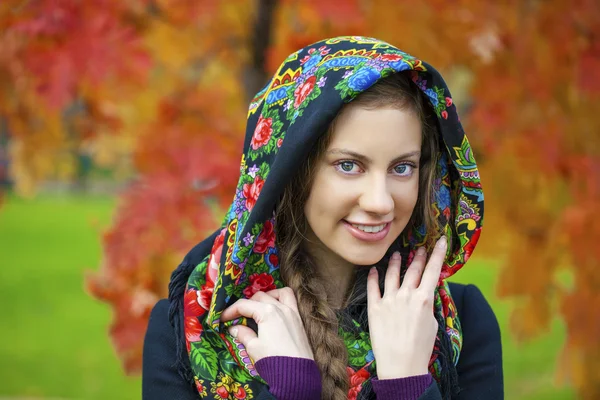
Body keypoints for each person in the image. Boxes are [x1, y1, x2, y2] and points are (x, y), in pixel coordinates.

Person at [142, 36, 503, 400]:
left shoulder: (461, 323)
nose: (380, 202)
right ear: (291, 172)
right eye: (349, 165)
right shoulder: (196, 331)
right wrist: (292, 389)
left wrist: (406, 383)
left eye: (402, 167)